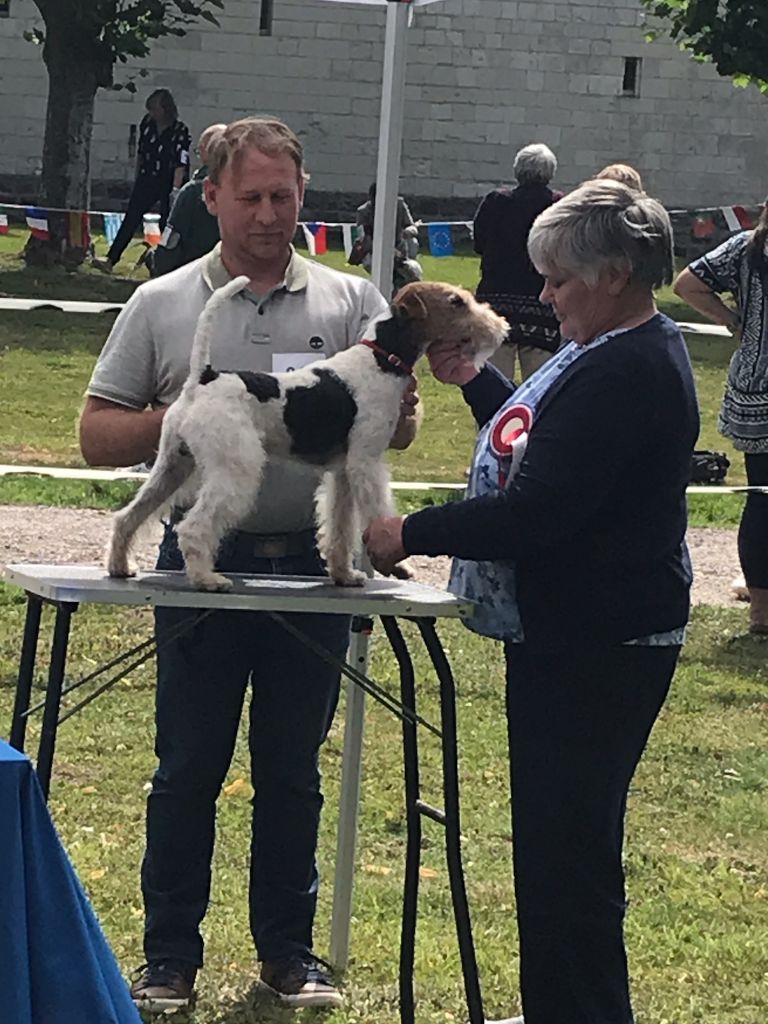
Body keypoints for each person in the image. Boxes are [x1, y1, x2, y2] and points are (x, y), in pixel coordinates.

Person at [79, 116, 421, 1014]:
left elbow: (393, 432)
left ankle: (288, 954)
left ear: (303, 194)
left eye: (284, 196)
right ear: (212, 198)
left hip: (309, 579)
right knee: (188, 765)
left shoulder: (353, 301)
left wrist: (392, 415)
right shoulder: (161, 302)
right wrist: (203, 422)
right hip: (204, 558)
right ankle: (168, 960)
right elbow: (91, 437)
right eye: (252, 197)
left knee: (294, 769)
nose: (270, 214)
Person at [364, 180, 698, 1024]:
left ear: (616, 273)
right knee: (555, 852)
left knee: (571, 857)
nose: (544, 294)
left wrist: (410, 532)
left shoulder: (628, 369)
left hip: (599, 645)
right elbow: (530, 436)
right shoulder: (608, 348)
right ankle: (561, 1006)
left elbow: (536, 513)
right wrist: (475, 381)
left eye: (558, 279)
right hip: (573, 634)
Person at [674, 199, 768, 633]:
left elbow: (687, 284)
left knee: (761, 497)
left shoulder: (747, 248)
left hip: (755, 384)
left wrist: (735, 320)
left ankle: (761, 614)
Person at [473, 143, 562, 382]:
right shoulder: (558, 206)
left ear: (517, 171)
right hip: (542, 308)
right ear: (550, 172)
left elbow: (478, 245)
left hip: (497, 305)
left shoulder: (495, 202)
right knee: (541, 389)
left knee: (496, 388)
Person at [94, 89, 191, 273]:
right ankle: (111, 258)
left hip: (169, 180)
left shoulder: (180, 130)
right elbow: (142, 152)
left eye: (155, 109)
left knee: (167, 224)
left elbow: (181, 161)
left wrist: (175, 190)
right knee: (131, 217)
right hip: (148, 177)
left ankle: (167, 265)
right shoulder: (147, 125)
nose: (151, 114)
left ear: (165, 109)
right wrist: (138, 178)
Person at [152, 123, 225, 277]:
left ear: (206, 152)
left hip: (192, 276)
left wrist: (154, 259)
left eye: (198, 151)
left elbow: (171, 240)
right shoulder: (246, 190)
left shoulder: (192, 192)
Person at [354, 182, 422, 291]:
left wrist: (409, 231)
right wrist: (386, 251)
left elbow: (412, 227)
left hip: (400, 253)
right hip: (373, 254)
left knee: (413, 274)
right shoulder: (363, 212)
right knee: (382, 278)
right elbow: (365, 238)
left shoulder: (400, 205)